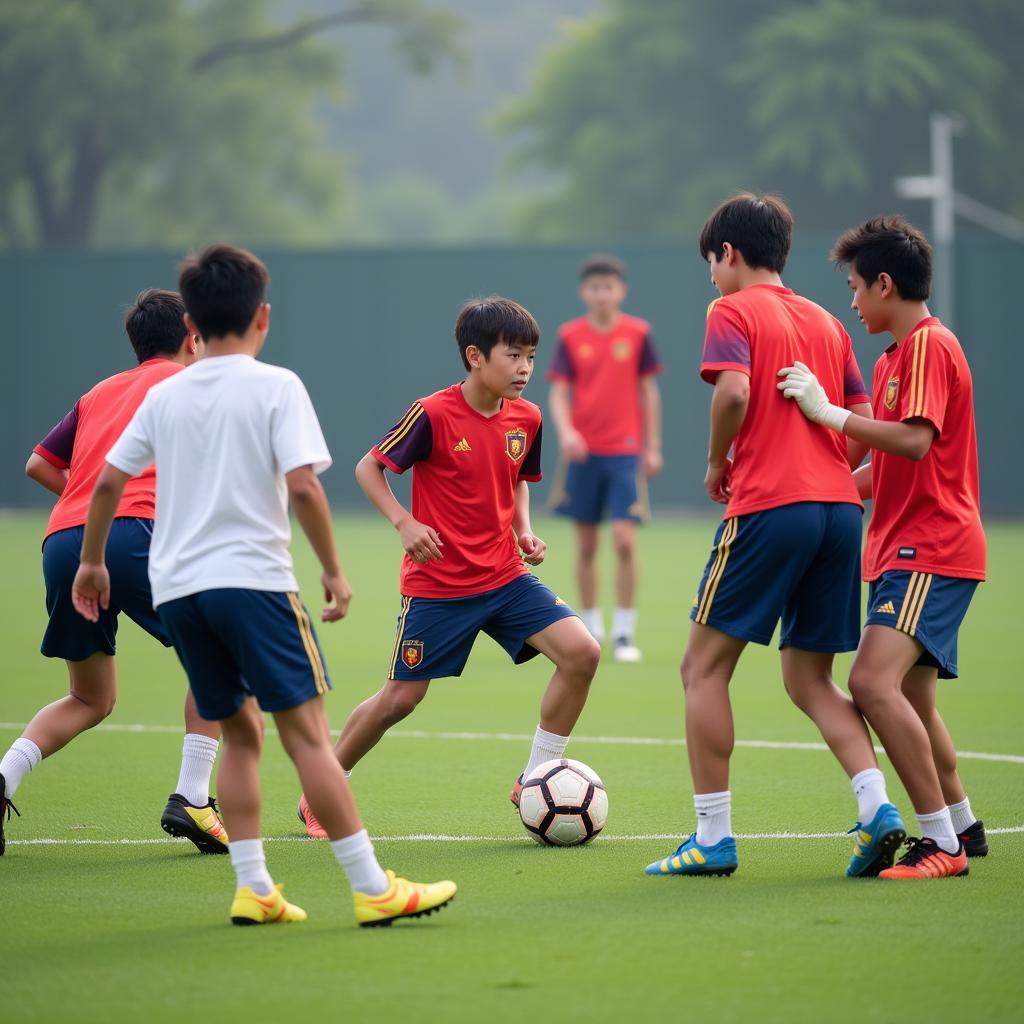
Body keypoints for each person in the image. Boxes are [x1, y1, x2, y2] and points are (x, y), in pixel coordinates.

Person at [71, 244, 456, 926]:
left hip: (180, 592)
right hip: (252, 584)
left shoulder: (164, 393)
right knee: (307, 737)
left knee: (240, 734)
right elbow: (304, 486)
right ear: (263, 318)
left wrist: (92, 562)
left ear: (191, 322)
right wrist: (334, 570)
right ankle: (372, 888)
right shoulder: (277, 386)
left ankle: (254, 888)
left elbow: (106, 480)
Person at [645, 193, 904, 880]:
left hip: (768, 508)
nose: (711, 278)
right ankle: (877, 806)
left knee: (702, 669)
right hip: (840, 514)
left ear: (728, 254)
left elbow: (731, 393)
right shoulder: (826, 319)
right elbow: (860, 413)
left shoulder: (730, 310)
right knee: (810, 677)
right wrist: (820, 462)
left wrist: (715, 462)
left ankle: (712, 837)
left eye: (712, 263)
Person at [297, 295, 601, 839]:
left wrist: (523, 530)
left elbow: (517, 480)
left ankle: (534, 775)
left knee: (582, 653)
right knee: (401, 699)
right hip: (439, 586)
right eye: (514, 356)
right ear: (475, 356)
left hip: (505, 577)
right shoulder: (433, 413)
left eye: (531, 356)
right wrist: (404, 524)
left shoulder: (527, 418)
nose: (526, 368)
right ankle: (322, 791)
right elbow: (369, 468)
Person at [778, 215, 986, 879]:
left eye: (856, 288)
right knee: (914, 702)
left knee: (870, 682)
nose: (852, 301)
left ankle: (940, 848)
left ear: (885, 284)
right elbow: (886, 467)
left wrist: (828, 414)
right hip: (906, 548)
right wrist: (812, 485)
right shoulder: (896, 356)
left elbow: (916, 441)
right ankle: (963, 824)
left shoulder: (927, 346)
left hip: (928, 549)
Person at [0, 289, 227, 858]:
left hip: (64, 543)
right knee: (220, 658)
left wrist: (92, 504)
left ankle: (3, 778)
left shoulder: (98, 392)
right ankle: (194, 798)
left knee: (89, 699)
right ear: (190, 338)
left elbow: (39, 464)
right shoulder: (193, 385)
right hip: (138, 535)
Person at [548, 254, 663, 662]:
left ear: (621, 291)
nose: (602, 294)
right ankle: (591, 627)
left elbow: (649, 391)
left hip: (625, 453)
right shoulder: (569, 335)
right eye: (595, 287)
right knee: (586, 544)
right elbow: (559, 393)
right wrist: (567, 433)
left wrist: (652, 446)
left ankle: (624, 634)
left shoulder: (637, 333)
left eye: (609, 287)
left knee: (624, 540)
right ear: (584, 292)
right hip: (584, 454)